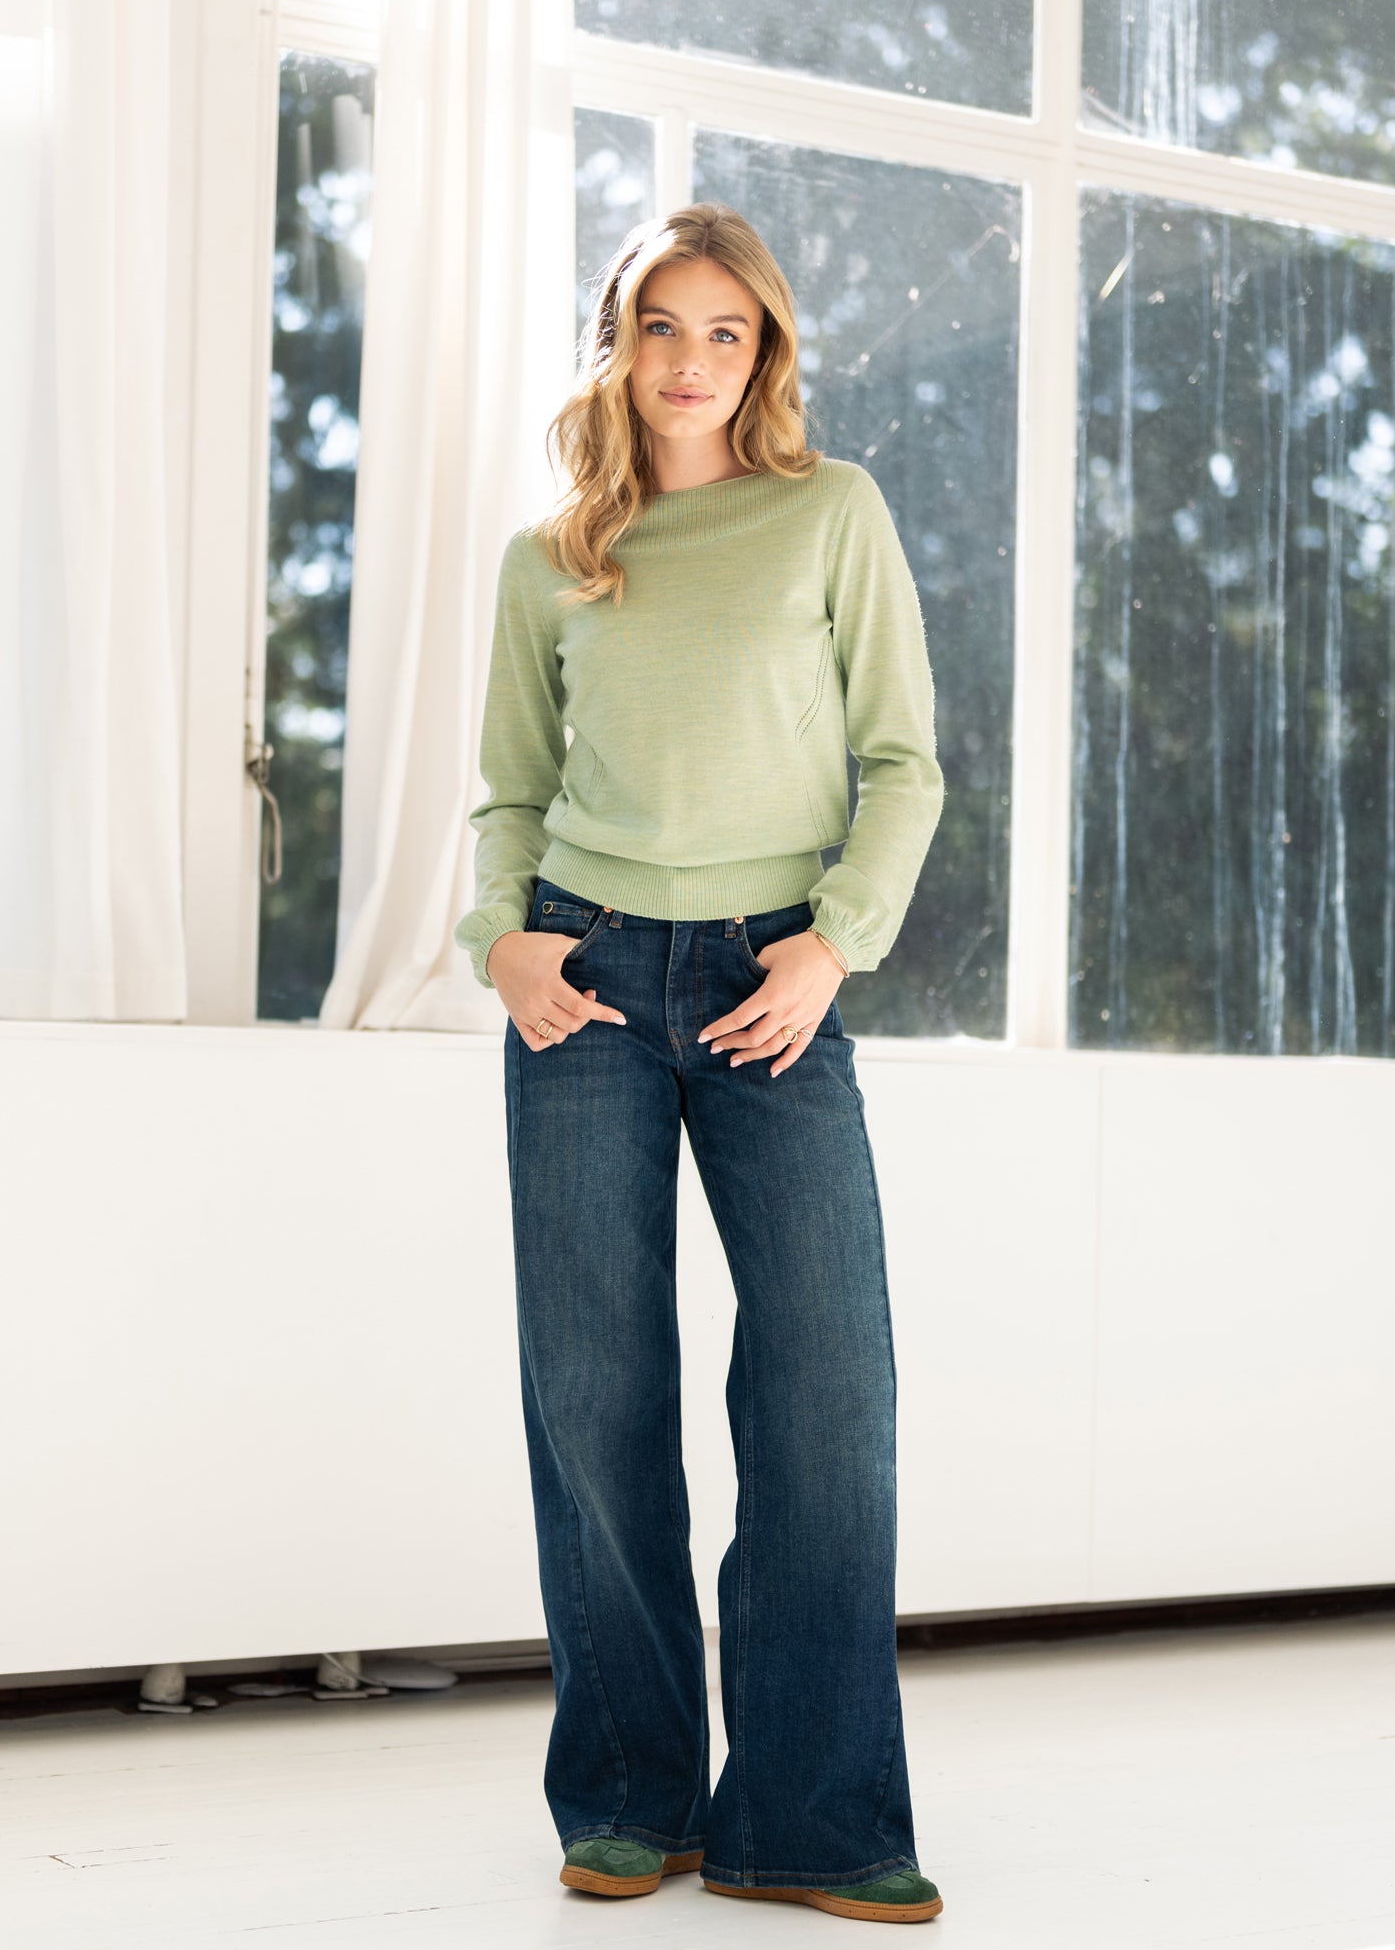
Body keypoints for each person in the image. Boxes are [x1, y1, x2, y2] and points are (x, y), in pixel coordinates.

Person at [454, 202, 946, 1925]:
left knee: (827, 1392)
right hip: (580, 978)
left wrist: (832, 945)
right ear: (618, 345)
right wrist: (499, 939)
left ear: (766, 352)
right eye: (661, 325)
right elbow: (509, 792)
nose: (691, 360)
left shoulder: (832, 511)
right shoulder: (551, 557)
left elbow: (903, 764)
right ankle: (629, 1801)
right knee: (594, 1395)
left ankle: (812, 1820)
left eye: (726, 331)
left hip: (772, 978)